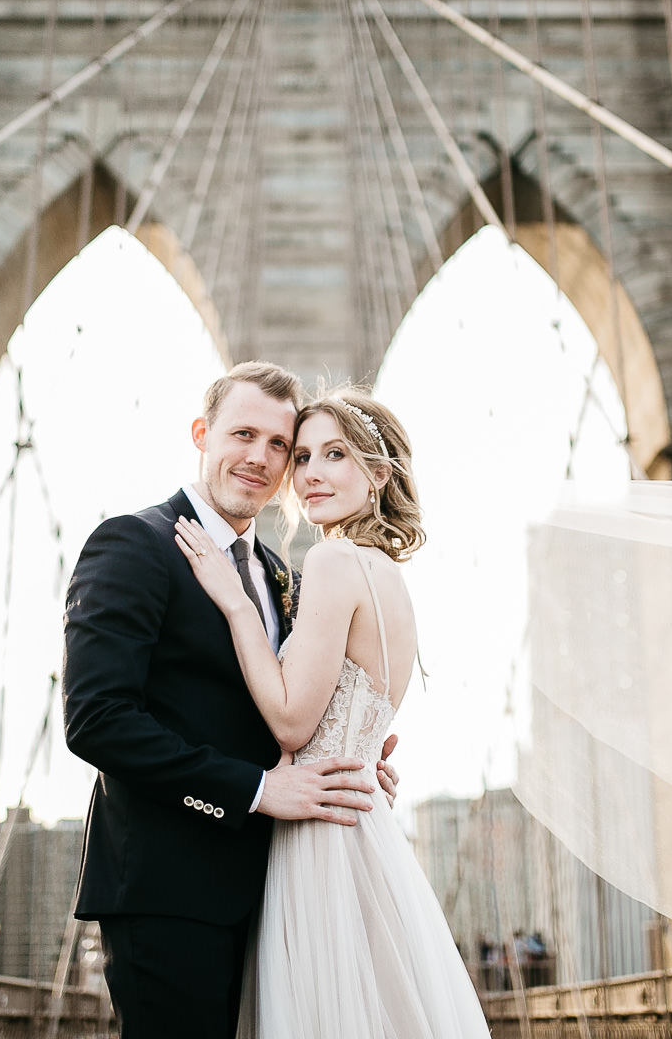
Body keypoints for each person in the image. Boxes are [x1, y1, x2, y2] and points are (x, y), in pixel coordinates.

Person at [60, 362, 400, 1038]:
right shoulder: (134, 544)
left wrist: (349, 758)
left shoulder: (283, 574)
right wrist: (254, 789)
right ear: (201, 434)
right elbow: (97, 721)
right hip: (170, 897)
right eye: (243, 434)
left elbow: (284, 710)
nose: (261, 458)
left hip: (281, 891)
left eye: (281, 445)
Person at [174, 388, 491, 1037]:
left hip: (318, 834)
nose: (312, 472)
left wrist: (234, 602)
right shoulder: (389, 575)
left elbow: (292, 722)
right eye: (304, 455)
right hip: (365, 828)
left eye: (337, 454)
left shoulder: (331, 560)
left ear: (378, 474)